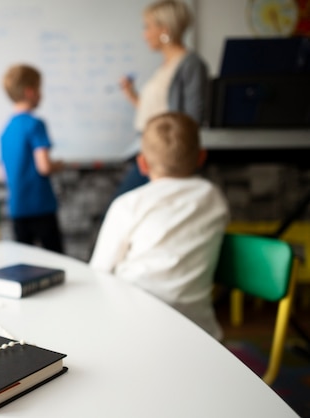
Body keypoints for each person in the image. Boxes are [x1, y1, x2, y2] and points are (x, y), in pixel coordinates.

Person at [89, 112, 229, 340]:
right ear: (201, 157)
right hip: (202, 336)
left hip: (133, 330)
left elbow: (98, 273)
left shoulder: (128, 204)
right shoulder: (214, 198)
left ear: (142, 163)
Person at [115, 0, 209, 197]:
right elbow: (155, 111)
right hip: (147, 149)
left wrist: (173, 161)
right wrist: (133, 96)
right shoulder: (164, 66)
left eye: (147, 27)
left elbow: (191, 120)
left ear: (164, 29)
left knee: (121, 204)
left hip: (164, 156)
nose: (145, 34)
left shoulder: (190, 64)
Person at [0, 64, 65, 254]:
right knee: (55, 257)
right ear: (30, 92)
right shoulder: (35, 124)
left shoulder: (6, 130)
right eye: (39, 89)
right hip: (40, 205)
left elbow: (3, 173)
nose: (41, 94)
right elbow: (44, 166)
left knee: (24, 260)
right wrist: (59, 165)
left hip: (17, 207)